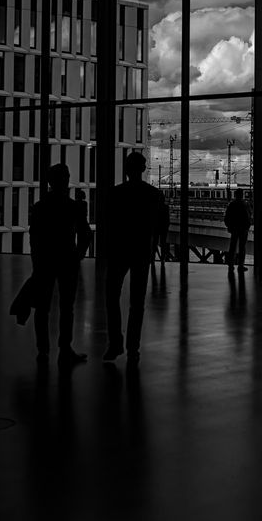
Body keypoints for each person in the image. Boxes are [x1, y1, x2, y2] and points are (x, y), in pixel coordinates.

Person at [104, 151, 167, 365]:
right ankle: (133, 348)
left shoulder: (114, 193)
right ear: (144, 168)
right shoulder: (154, 194)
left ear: (126, 169)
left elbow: (109, 225)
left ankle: (115, 343)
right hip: (141, 251)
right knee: (137, 302)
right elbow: (159, 225)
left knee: (112, 298)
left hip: (118, 250)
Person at [28, 163, 92, 366]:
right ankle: (65, 349)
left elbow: (34, 238)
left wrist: (37, 262)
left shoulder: (39, 208)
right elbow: (85, 234)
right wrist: (78, 254)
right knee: (67, 307)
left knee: (42, 308)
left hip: (45, 261)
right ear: (65, 181)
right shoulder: (73, 207)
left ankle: (43, 351)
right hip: (67, 260)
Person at [224, 188, 252, 271]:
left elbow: (227, 217)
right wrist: (247, 226)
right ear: (242, 194)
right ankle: (240, 265)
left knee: (232, 246)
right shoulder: (245, 204)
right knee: (242, 247)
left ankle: (231, 264)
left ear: (235, 195)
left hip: (234, 228)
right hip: (243, 229)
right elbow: (248, 216)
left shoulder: (232, 204)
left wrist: (229, 226)